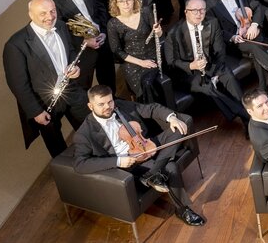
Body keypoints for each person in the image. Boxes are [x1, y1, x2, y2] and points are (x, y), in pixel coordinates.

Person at [72, 85, 205, 226]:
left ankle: (152, 174)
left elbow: (151, 108)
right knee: (171, 167)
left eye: (110, 101)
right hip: (130, 161)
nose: (108, 107)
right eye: (101, 104)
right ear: (90, 106)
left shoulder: (119, 106)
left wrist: (172, 118)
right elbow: (80, 164)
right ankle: (183, 210)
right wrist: (118, 161)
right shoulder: (84, 133)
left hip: (145, 145)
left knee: (179, 129)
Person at [3, 0, 89, 157]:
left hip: (70, 89)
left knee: (92, 127)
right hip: (43, 102)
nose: (49, 17)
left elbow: (70, 51)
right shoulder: (16, 44)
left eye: (52, 11)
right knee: (57, 146)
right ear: (31, 15)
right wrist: (35, 111)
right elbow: (18, 84)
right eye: (43, 13)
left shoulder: (61, 26)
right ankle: (69, 177)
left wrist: (75, 66)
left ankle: (101, 162)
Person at [163, 0, 249, 130]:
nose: (199, 14)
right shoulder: (173, 33)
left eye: (202, 10)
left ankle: (247, 123)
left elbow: (220, 51)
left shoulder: (212, 23)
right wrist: (192, 66)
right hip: (188, 73)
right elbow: (171, 63)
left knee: (229, 77)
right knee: (207, 87)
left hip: (212, 65)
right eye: (194, 11)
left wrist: (214, 72)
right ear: (186, 12)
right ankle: (248, 116)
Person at [48, 0, 113, 89]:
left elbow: (101, 8)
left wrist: (104, 32)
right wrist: (84, 41)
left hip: (102, 39)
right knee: (83, 85)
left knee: (109, 78)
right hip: (81, 50)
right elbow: (60, 30)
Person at [106, 0, 162, 103]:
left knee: (148, 82)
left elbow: (158, 34)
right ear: (116, 3)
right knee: (142, 86)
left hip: (152, 55)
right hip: (132, 62)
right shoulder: (113, 24)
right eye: (121, 1)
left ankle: (160, 111)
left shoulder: (145, 12)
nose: (126, 4)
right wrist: (141, 62)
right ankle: (149, 113)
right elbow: (117, 51)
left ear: (134, 0)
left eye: (128, 0)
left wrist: (159, 31)